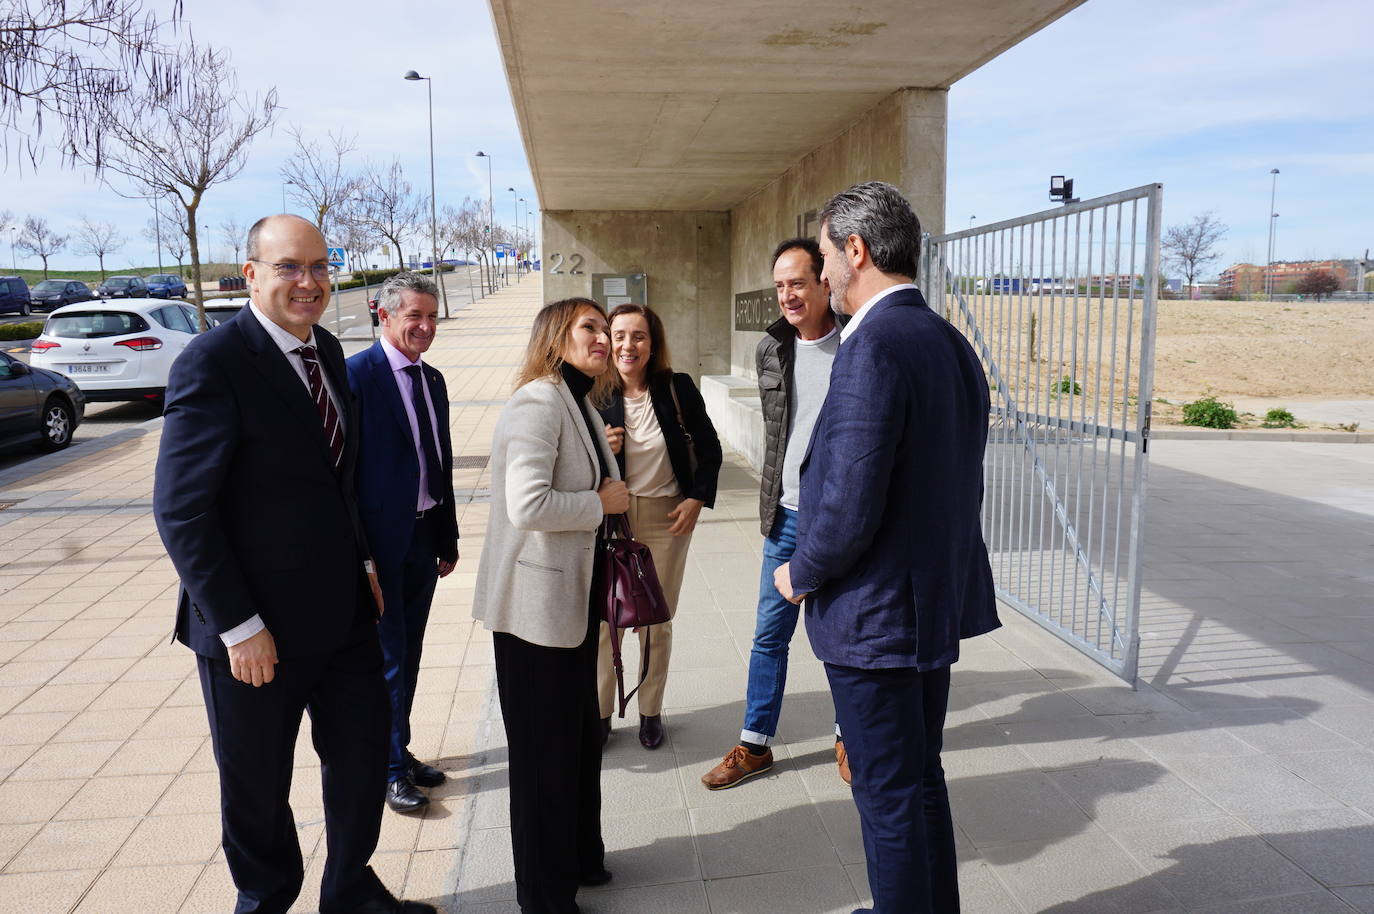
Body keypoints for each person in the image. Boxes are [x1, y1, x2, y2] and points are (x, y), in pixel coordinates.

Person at [153, 214, 434, 914]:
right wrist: (239, 625)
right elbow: (183, 512)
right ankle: (266, 900)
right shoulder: (213, 362)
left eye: (319, 266)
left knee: (362, 759)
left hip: (342, 616)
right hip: (256, 633)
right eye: (288, 267)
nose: (308, 282)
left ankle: (350, 890)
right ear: (251, 274)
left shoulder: (327, 350)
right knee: (257, 787)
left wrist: (365, 562)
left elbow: (340, 482)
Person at [774, 182, 1001, 914]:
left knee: (887, 795)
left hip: (878, 620)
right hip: (927, 607)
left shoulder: (872, 345)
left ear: (857, 249)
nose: (823, 273)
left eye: (826, 257)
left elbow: (848, 501)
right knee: (919, 778)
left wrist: (799, 572)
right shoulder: (949, 341)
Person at [472, 297, 628, 914]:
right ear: (554, 338)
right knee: (544, 758)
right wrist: (600, 503)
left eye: (604, 328)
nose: (603, 337)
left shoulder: (578, 401)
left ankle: (579, 856)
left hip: (569, 603)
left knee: (578, 741)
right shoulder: (538, 401)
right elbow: (528, 504)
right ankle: (544, 896)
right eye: (589, 327)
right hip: (532, 611)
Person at [700, 238, 847, 789]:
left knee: (840, 637)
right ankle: (755, 744)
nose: (787, 295)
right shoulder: (772, 348)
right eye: (780, 285)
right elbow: (780, 434)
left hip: (839, 524)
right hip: (785, 519)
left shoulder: (857, 343)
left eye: (798, 283)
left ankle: (849, 737)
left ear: (824, 283)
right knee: (769, 636)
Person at [346, 272, 460, 815]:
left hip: (423, 536)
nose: (426, 326)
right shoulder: (356, 377)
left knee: (410, 653)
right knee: (388, 657)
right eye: (415, 316)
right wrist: (360, 555)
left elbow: (441, 460)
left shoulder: (431, 378)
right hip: (380, 548)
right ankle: (388, 769)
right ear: (384, 315)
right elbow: (345, 476)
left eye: (432, 316)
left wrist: (447, 535)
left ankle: (401, 750)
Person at [595, 303, 722, 749]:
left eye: (639, 336)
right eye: (619, 335)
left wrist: (696, 499)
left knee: (656, 621)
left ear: (653, 344)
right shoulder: (593, 393)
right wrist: (601, 449)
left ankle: (650, 712)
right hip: (612, 520)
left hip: (668, 519)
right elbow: (569, 464)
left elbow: (709, 449)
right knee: (606, 621)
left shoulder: (675, 387)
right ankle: (600, 714)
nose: (628, 345)